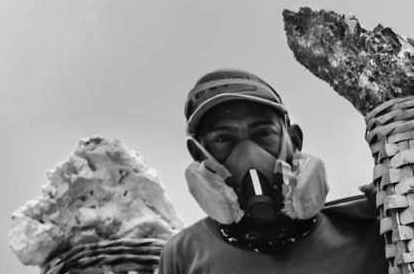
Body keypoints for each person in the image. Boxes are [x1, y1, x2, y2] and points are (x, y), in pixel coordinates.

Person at [157, 69, 385, 273]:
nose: (248, 155)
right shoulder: (183, 256)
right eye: (223, 139)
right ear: (198, 155)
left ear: (294, 140)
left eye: (263, 133)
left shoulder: (376, 236)